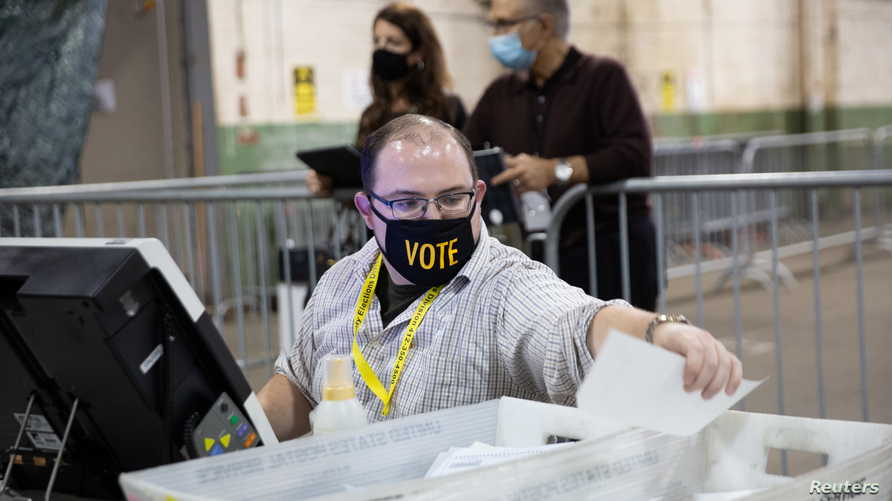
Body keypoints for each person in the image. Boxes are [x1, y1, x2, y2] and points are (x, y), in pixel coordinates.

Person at [258, 115, 742, 440]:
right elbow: (300, 384)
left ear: (479, 194)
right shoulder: (341, 282)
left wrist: (659, 330)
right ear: (366, 210)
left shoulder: (506, 286)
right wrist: (230, 443)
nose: (431, 218)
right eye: (407, 203)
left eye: (451, 198)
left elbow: (574, 323)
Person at [463, 0, 658, 310]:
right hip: (539, 261)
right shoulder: (500, 93)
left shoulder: (603, 78)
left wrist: (555, 171)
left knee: (621, 354)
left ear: (543, 26)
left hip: (610, 255)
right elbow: (464, 151)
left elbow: (633, 154)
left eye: (504, 24)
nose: (496, 35)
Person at [306, 2, 466, 195]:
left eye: (393, 42)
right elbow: (363, 182)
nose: (381, 49)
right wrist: (331, 184)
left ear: (418, 53)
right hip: (381, 223)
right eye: (377, 41)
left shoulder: (446, 108)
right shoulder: (372, 114)